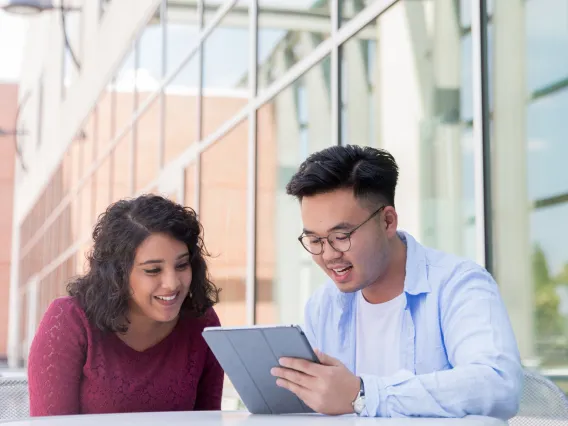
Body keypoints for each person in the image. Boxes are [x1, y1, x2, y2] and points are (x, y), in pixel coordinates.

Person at [270, 145, 523, 419]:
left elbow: (498, 385)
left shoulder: (459, 285)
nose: (329, 254)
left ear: (388, 221)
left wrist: (363, 394)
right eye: (315, 240)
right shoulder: (323, 305)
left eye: (341, 236)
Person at [27, 194, 223, 416]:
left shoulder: (202, 322)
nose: (172, 283)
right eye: (153, 270)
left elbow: (209, 419)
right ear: (118, 273)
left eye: (181, 265)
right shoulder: (69, 321)